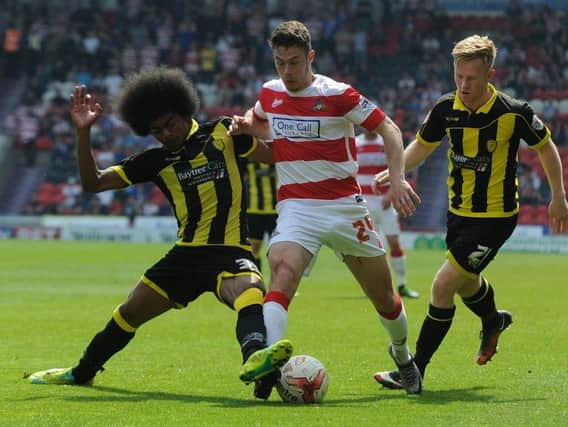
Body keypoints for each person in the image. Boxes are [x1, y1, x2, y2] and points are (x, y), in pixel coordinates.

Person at [25, 67, 292, 392]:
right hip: (184, 257)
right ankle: (80, 373)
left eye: (170, 124)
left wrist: (260, 130)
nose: (165, 134)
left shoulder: (226, 134)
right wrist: (83, 133)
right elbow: (92, 183)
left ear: (184, 111)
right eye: (156, 131)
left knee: (250, 290)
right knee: (128, 313)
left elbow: (278, 155)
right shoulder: (154, 160)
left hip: (230, 252)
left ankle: (255, 362)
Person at [229, 20, 423, 398]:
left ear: (311, 57)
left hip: (345, 208)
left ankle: (402, 357)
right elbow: (259, 124)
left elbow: (390, 130)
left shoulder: (338, 95)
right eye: (279, 62)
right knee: (282, 270)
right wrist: (245, 126)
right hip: (297, 207)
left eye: (294, 62)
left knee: (384, 298)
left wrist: (398, 178)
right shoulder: (269, 94)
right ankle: (267, 365)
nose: (286, 71)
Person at [373, 35, 568, 390]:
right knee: (466, 285)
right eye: (458, 76)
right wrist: (397, 169)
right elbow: (423, 145)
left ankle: (415, 369)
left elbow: (547, 148)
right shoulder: (446, 108)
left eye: (472, 78)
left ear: (490, 74)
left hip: (495, 217)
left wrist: (558, 197)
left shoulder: (513, 112)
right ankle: (493, 320)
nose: (463, 85)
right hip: (458, 214)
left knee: (443, 284)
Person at [355, 128, 420, 299]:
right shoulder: (356, 143)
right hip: (363, 203)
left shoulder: (386, 142)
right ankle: (374, 286)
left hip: (385, 202)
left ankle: (402, 285)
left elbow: (398, 167)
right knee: (370, 247)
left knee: (394, 242)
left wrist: (391, 193)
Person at [245, 158, 278, 272]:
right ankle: (257, 284)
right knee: (254, 249)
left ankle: (281, 286)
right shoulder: (247, 157)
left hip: (276, 210)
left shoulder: (277, 154)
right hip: (253, 209)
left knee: (278, 250)